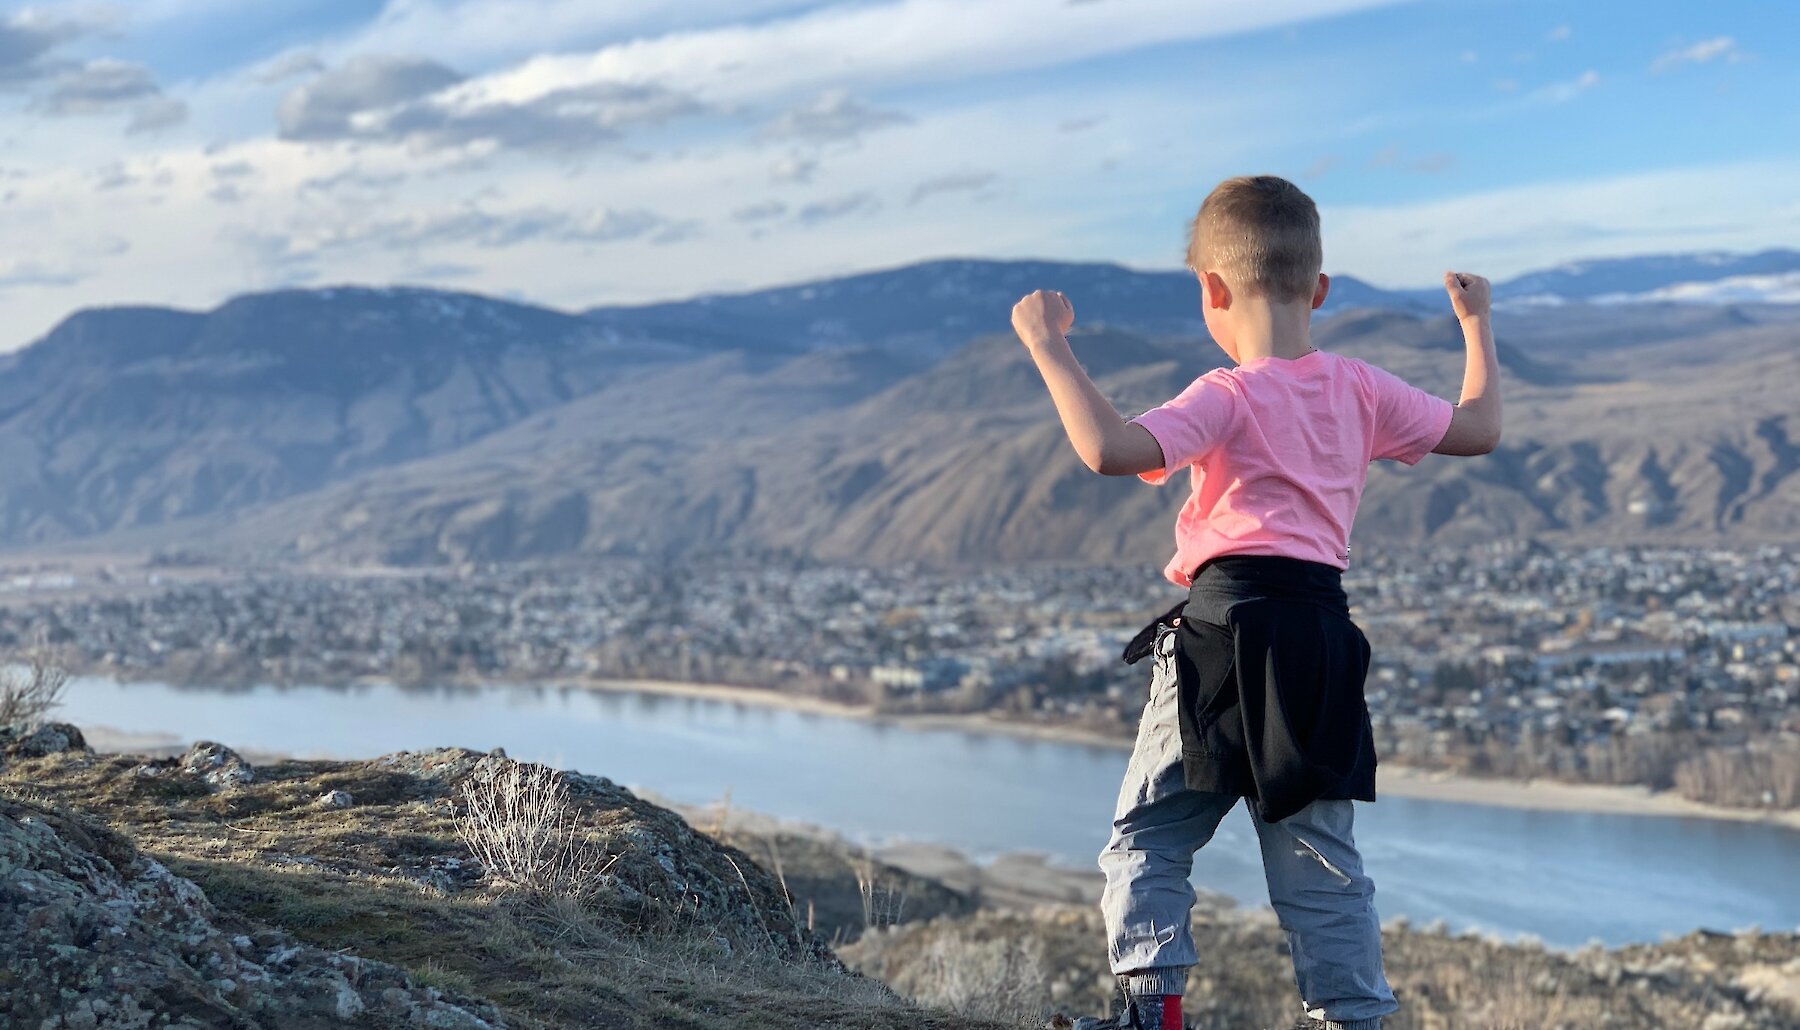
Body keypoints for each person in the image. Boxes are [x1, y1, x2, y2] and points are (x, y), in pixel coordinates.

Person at [1011, 175, 1501, 1030]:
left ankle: (1153, 1015)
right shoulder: (1362, 389)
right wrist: (1476, 323)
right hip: (1317, 636)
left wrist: (1049, 346)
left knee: (1151, 836)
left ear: (1210, 290)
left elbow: (1109, 449)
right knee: (1322, 863)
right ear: (1320, 289)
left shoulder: (1225, 394)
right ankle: (1353, 1019)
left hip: (1220, 635)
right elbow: (1477, 428)